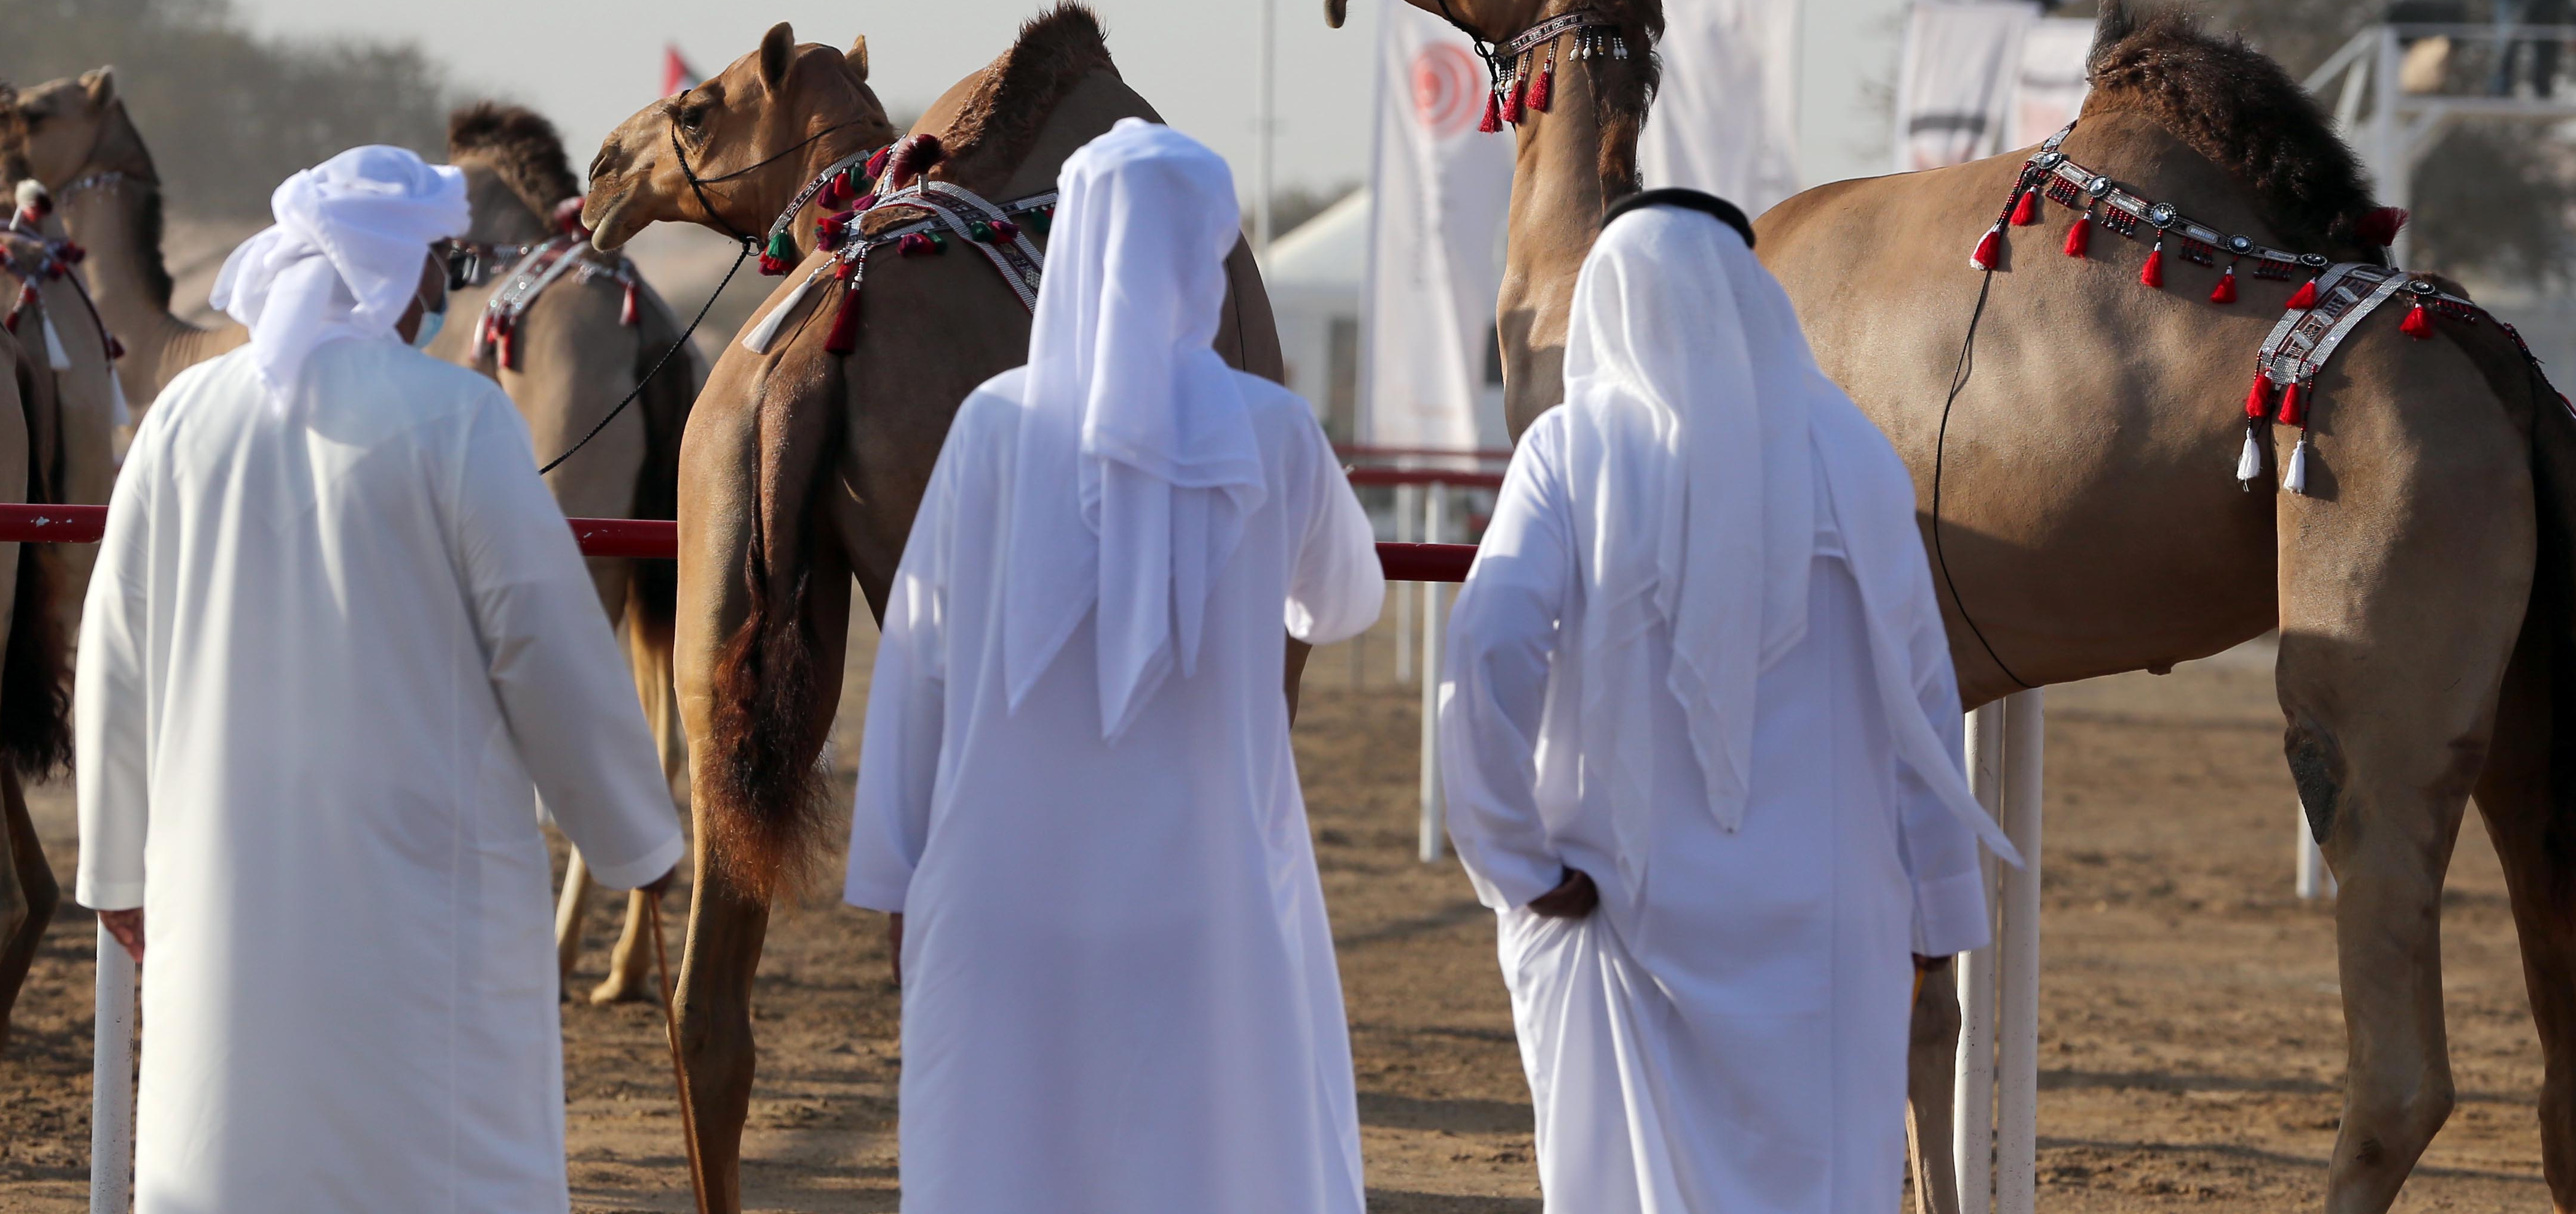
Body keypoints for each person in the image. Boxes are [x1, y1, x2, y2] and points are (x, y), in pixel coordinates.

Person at [76, 145, 685, 1214]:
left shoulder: (180, 417)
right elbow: (545, 646)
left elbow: (115, 659)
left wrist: (121, 870)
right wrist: (636, 837)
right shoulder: (458, 419)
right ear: (404, 279)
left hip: (222, 884)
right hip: (422, 896)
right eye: (439, 268)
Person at [1437, 188, 2019, 1214]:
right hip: (1829, 922)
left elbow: (1486, 660)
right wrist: (1936, 904)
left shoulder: (1571, 454)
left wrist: (1516, 863)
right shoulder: (1855, 459)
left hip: (1623, 906)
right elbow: (1923, 705)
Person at [844, 120, 1384, 1213]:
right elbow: (1346, 600)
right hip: (1210, 894)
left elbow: (920, 660)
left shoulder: (996, 426)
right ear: (1208, 251)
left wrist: (898, 874)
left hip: (1007, 890)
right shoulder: (1274, 432)